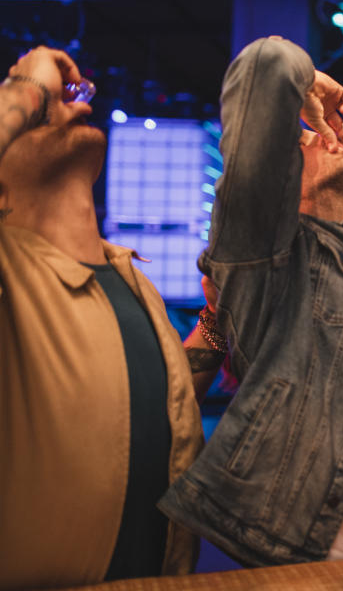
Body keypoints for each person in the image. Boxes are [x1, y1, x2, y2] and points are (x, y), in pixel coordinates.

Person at [158, 37, 343, 566]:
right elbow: (261, 70)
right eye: (302, 138)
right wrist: (307, 83)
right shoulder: (271, 260)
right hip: (308, 566)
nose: (322, 136)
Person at [0, 47, 204, 587]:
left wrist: (223, 325)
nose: (66, 106)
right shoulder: (11, 275)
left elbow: (151, 409)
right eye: (39, 115)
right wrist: (27, 89)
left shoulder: (135, 282)